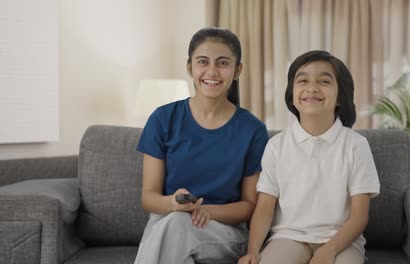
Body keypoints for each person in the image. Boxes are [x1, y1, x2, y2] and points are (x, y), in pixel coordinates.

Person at [134, 27, 269, 264]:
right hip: (167, 221)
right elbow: (149, 197)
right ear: (190, 67)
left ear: (238, 70)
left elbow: (250, 205)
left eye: (223, 63)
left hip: (224, 229)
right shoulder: (162, 119)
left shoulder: (253, 130)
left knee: (176, 227)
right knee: (175, 228)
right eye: (203, 62)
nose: (212, 71)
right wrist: (172, 203)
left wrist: (204, 211)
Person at [238, 50, 380, 264]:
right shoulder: (276, 146)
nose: (312, 88)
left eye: (324, 81)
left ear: (341, 95)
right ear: (292, 95)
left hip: (341, 240)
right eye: (302, 80)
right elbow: (265, 208)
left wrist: (329, 251)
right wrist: (253, 251)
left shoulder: (356, 146)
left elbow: (359, 216)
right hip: (288, 237)